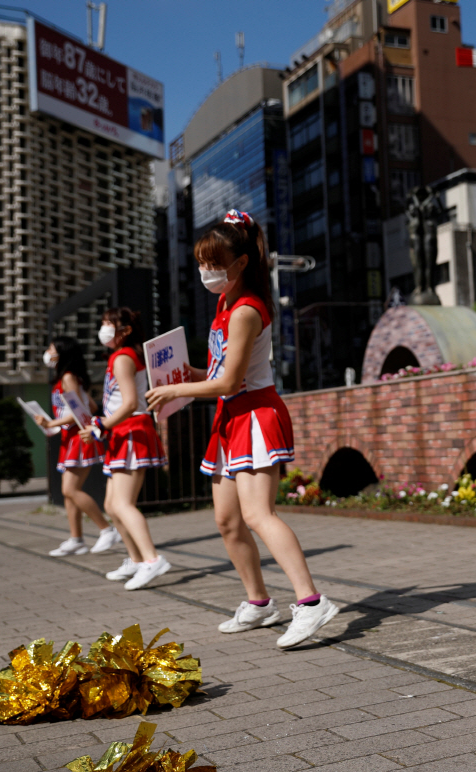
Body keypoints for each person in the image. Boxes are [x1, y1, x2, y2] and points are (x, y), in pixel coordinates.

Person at [146, 210, 338, 650]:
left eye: (214, 263)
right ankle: (259, 603)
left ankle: (311, 602)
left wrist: (186, 387)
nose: (206, 272)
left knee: (258, 515)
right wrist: (183, 374)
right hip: (232, 416)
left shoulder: (247, 309)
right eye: (201, 262)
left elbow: (231, 382)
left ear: (242, 263)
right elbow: (218, 370)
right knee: (228, 520)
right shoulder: (226, 302)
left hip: (253, 413)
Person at [78, 308, 170, 590]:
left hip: (130, 430)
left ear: (125, 330)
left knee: (122, 504)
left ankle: (152, 560)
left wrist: (99, 427)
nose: (103, 329)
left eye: (108, 323)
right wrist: (102, 425)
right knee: (111, 505)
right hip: (122, 432)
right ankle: (137, 559)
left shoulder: (123, 357)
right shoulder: (122, 357)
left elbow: (130, 402)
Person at [35, 336, 120, 557]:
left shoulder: (69, 377)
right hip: (71, 437)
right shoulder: (69, 378)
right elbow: (90, 405)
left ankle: (107, 529)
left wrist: (52, 422)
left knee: (69, 489)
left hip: (77, 437)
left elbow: (80, 410)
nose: (48, 352)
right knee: (69, 492)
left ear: (62, 353)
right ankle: (77, 539)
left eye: (51, 348)